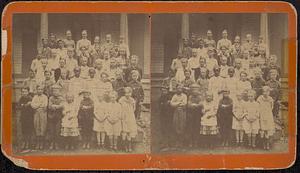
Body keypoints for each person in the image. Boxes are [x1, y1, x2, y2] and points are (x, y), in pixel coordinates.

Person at [119, 87, 138, 152]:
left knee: (129, 131)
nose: (127, 94)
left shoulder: (132, 100)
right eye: (126, 93)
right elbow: (120, 108)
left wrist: (130, 112)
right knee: (124, 131)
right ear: (124, 93)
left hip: (130, 116)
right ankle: (124, 146)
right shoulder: (121, 99)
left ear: (131, 93)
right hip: (123, 116)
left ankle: (129, 146)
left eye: (129, 93)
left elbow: (134, 109)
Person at [31, 84, 48, 150]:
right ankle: (38, 143)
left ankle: (41, 143)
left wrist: (37, 106)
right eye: (38, 89)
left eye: (41, 89)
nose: (40, 91)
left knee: (42, 127)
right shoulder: (35, 97)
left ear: (43, 90)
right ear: (36, 90)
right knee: (36, 126)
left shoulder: (45, 97)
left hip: (43, 113)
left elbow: (45, 105)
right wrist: (39, 105)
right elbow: (32, 105)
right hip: (36, 113)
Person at [47, 84, 64, 150]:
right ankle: (52, 143)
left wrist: (56, 106)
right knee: (51, 131)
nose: (55, 92)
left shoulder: (61, 98)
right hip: (51, 117)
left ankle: (57, 143)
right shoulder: (51, 98)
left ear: (59, 91)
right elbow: (49, 106)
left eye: (57, 91)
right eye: (54, 91)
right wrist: (56, 106)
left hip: (58, 117)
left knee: (57, 131)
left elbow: (62, 105)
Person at [187, 83, 202, 147]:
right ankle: (191, 141)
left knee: (197, 127)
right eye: (193, 89)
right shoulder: (190, 97)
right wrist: (194, 105)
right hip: (191, 114)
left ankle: (196, 141)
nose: (195, 91)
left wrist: (195, 105)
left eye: (196, 89)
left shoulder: (200, 97)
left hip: (197, 114)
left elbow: (201, 104)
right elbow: (189, 105)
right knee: (190, 127)